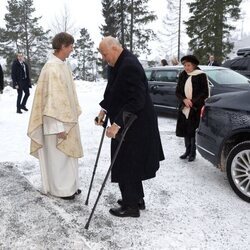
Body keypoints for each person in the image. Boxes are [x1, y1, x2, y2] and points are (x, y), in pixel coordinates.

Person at [96, 36, 165, 218]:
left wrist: (117, 124)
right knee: (129, 162)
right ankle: (136, 198)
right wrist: (103, 110)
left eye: (104, 54)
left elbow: (137, 100)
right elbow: (112, 90)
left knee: (127, 162)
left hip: (136, 123)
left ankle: (131, 206)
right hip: (129, 121)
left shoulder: (129, 65)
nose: (104, 58)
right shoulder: (117, 64)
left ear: (115, 48)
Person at [27, 32, 83, 200]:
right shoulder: (52, 68)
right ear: (62, 46)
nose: (72, 49)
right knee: (59, 157)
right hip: (57, 124)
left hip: (66, 121)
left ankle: (70, 186)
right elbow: (52, 102)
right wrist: (58, 127)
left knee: (67, 156)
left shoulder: (61, 65)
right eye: (71, 46)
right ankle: (61, 190)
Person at [175, 55, 209, 162]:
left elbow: (204, 92)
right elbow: (178, 91)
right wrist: (184, 99)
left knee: (193, 130)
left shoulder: (201, 75)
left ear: (194, 65)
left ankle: (193, 153)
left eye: (188, 65)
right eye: (185, 65)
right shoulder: (183, 75)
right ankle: (187, 151)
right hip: (185, 107)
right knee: (186, 130)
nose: (186, 67)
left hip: (195, 108)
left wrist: (192, 101)